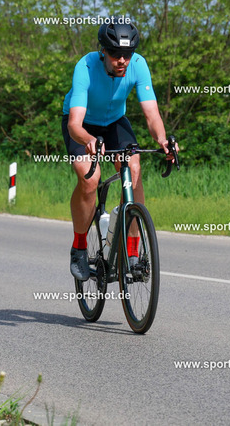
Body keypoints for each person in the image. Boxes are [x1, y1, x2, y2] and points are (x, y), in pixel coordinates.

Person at [61, 21, 177, 280]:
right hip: (82, 125)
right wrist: (89, 139)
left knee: (134, 170)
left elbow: (151, 114)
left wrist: (162, 140)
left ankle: (133, 252)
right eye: (115, 54)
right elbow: (74, 125)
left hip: (114, 122)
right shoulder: (86, 66)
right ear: (103, 51)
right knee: (90, 179)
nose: (122, 60)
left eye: (127, 54)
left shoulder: (139, 65)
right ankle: (79, 246)